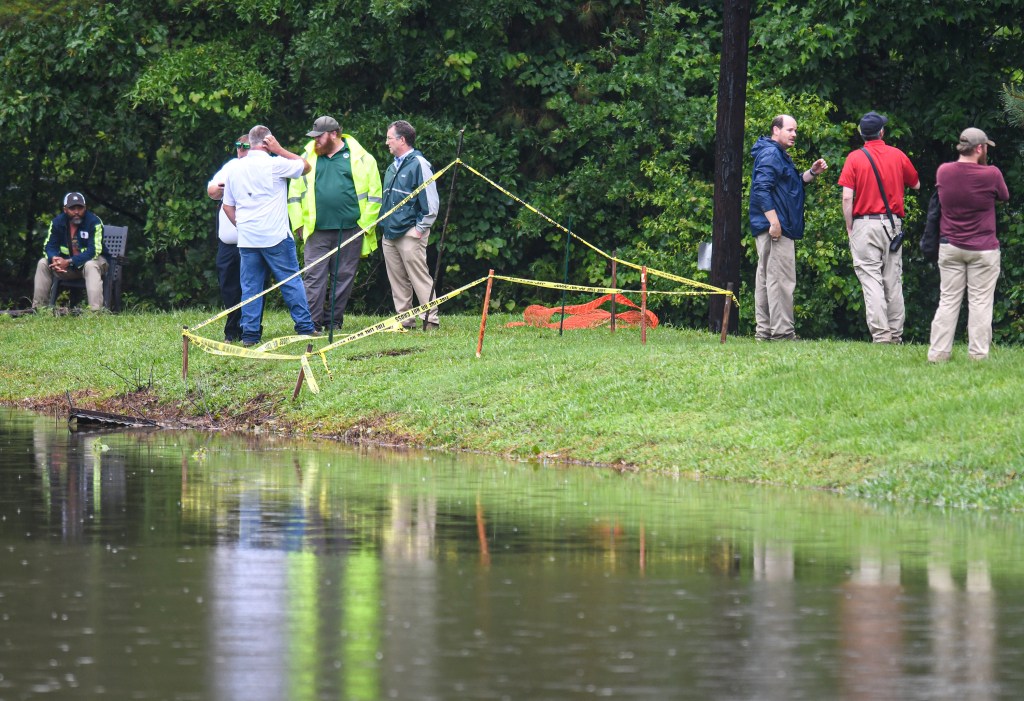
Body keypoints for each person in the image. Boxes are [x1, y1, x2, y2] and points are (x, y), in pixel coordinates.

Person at [222, 125, 317, 347]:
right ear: (267, 142)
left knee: (250, 287)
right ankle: (304, 327)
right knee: (291, 281)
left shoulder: (234, 168)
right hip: (276, 236)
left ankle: (250, 336)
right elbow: (305, 166)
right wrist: (281, 149)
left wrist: (242, 226)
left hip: (247, 238)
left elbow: (227, 206)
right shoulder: (275, 164)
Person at [287, 115, 382, 331]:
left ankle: (334, 321)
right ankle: (311, 323)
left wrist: (363, 227)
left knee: (344, 278)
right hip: (316, 230)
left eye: (319, 137)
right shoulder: (307, 157)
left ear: (334, 134)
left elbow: (375, 197)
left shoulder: (363, 158)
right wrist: (299, 224)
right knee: (313, 277)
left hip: (350, 230)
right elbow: (294, 193)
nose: (315, 141)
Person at [838, 111, 920, 344]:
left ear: (862, 134)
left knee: (871, 279)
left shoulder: (854, 158)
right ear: (882, 132)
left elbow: (846, 198)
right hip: (892, 224)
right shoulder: (897, 155)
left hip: (864, 224)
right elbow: (916, 184)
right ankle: (895, 334)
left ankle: (881, 336)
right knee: (892, 279)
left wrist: (849, 226)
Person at [927, 128, 1009, 362]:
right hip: (983, 248)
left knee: (948, 300)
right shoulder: (991, 174)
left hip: (950, 246)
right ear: (980, 148)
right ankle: (978, 355)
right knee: (981, 302)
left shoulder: (944, 172)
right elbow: (1004, 196)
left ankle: (938, 353)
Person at [748, 114, 828, 341]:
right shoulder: (772, 154)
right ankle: (783, 334)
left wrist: (811, 173)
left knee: (766, 280)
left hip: (772, 226)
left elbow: (789, 186)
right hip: (775, 228)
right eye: (790, 130)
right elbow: (761, 189)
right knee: (781, 280)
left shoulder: (776, 154)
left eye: (795, 131)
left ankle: (764, 333)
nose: (794, 134)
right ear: (776, 130)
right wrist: (774, 223)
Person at [380, 120, 441, 329]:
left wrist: (420, 228)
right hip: (390, 233)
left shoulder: (419, 164)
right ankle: (404, 321)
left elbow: (431, 203)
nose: (386, 142)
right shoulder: (391, 167)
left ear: (402, 139)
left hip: (410, 232)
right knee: (397, 279)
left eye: (389, 138)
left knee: (419, 276)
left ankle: (430, 319)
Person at [207, 134, 251, 342]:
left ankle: (250, 329)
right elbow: (212, 189)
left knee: (250, 287)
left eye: (245, 146)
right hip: (227, 243)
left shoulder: (259, 169)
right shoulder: (231, 166)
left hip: (250, 242)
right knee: (228, 287)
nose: (241, 149)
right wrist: (222, 187)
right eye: (238, 145)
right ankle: (232, 329)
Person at [32, 192, 108, 311]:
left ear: (85, 207)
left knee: (90, 265)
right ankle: (39, 310)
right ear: (65, 209)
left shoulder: (94, 222)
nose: (76, 212)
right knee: (42, 263)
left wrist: (69, 262)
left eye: (80, 208)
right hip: (67, 268)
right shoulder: (57, 222)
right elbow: (49, 246)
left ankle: (95, 312)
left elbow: (94, 251)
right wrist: (54, 259)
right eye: (72, 208)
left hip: (94, 264)